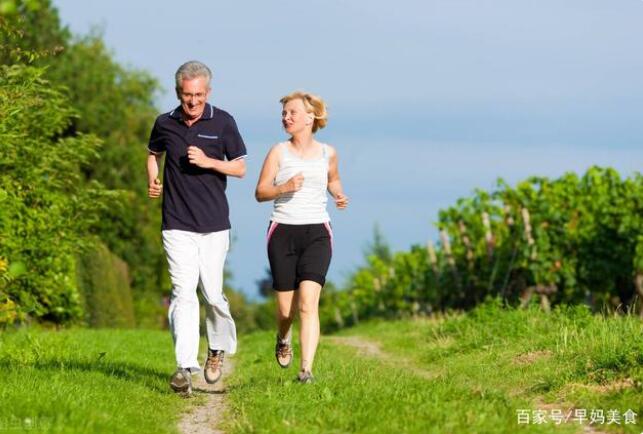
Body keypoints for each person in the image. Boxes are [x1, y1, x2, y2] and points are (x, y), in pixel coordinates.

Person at [147, 60, 247, 394]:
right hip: (176, 223)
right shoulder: (165, 123)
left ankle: (216, 349)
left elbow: (240, 169)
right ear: (178, 92)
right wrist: (154, 178)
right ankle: (184, 367)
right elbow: (152, 154)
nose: (193, 102)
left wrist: (208, 162)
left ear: (208, 92)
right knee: (183, 292)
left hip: (214, 224)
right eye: (188, 95)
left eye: (199, 95)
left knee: (213, 294)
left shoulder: (223, 122)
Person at [255, 91, 349, 383]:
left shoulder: (328, 153)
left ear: (311, 117)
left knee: (308, 303)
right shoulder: (278, 152)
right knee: (286, 311)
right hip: (283, 231)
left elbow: (332, 178)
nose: (286, 117)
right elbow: (260, 192)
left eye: (292, 112)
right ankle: (283, 337)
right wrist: (285, 186)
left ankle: (306, 370)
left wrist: (338, 194)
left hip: (317, 231)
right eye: (283, 113)